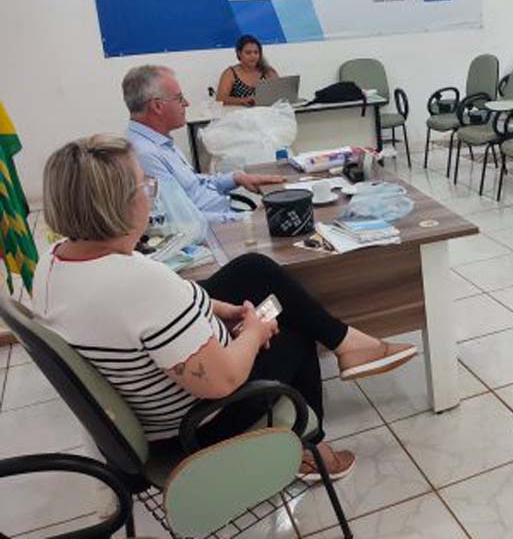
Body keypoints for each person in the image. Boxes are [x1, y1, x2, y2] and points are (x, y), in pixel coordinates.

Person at [34, 135, 419, 478]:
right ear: (116, 204)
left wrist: (221, 311)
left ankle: (349, 344)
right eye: (146, 186)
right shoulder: (138, 283)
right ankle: (311, 449)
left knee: (253, 269)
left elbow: (165, 303)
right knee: (295, 330)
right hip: (195, 427)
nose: (151, 196)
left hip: (153, 395)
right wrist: (253, 333)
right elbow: (224, 381)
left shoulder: (54, 260)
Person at [125, 65, 284, 224]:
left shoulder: (159, 141)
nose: (186, 104)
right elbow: (180, 220)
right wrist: (248, 219)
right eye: (179, 98)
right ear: (157, 106)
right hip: (215, 232)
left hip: (223, 215)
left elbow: (193, 185)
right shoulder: (144, 154)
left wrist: (237, 178)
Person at [216, 35, 279, 107]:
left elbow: (279, 95)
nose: (253, 56)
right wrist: (242, 100)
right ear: (239, 54)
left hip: (265, 114)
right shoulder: (230, 73)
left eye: (256, 52)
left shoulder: (268, 72)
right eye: (248, 53)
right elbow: (220, 99)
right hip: (239, 115)